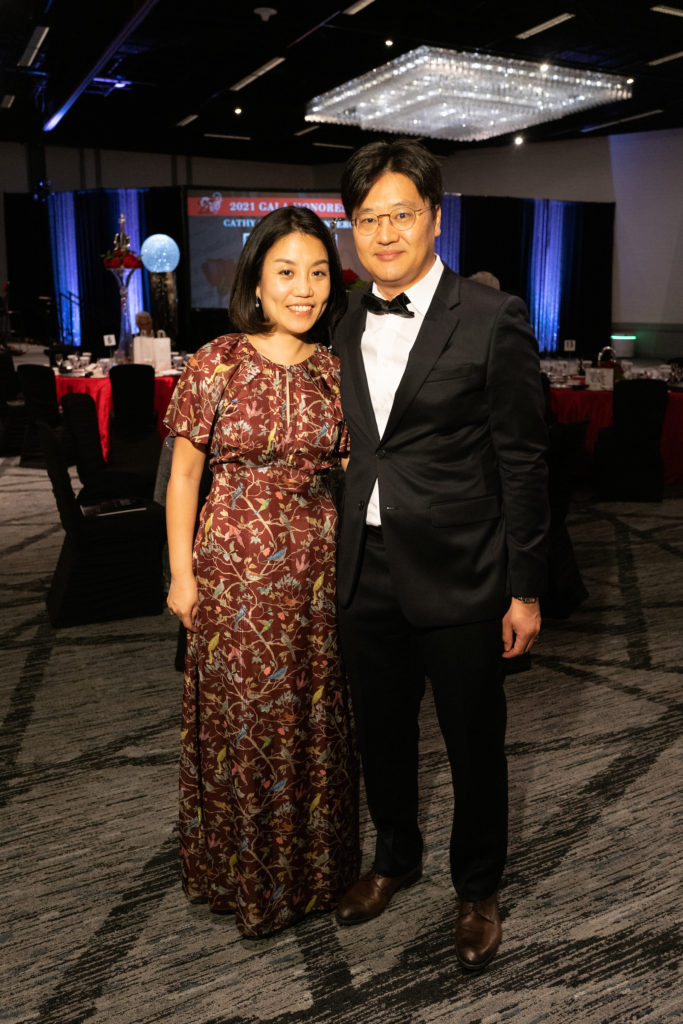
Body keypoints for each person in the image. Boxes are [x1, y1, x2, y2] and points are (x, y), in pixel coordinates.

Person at [332, 139, 549, 970]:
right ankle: (393, 858)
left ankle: (477, 889)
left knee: (471, 741)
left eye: (401, 214)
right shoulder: (346, 314)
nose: (384, 233)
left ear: (434, 215)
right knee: (380, 734)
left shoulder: (493, 317)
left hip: (463, 572)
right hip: (367, 567)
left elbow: (524, 462)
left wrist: (523, 589)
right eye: (367, 218)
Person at [164, 205, 360, 938]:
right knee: (242, 726)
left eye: (316, 272)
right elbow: (184, 477)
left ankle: (313, 873)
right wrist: (181, 576)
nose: (302, 288)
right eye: (286, 272)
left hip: (315, 576)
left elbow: (357, 472)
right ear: (256, 279)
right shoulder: (215, 360)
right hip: (231, 574)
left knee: (312, 720)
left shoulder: (336, 373)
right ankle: (239, 873)